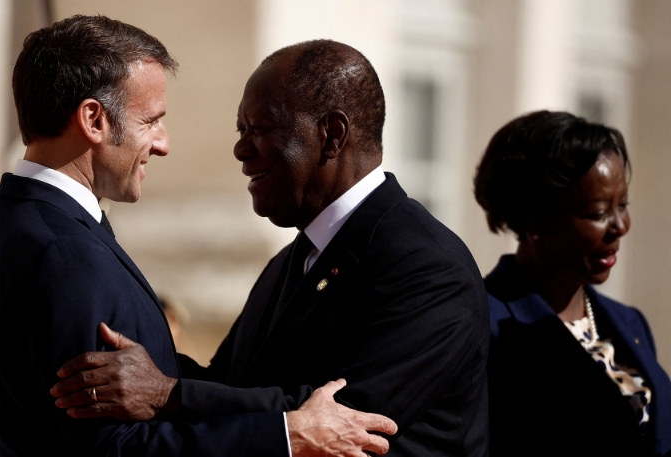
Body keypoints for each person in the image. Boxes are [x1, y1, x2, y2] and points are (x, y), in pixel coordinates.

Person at [0, 16, 396, 456]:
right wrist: (285, 437)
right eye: (150, 121)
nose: (163, 144)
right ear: (94, 119)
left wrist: (166, 388)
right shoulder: (66, 253)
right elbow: (113, 450)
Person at [51, 39, 490, 456]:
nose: (241, 149)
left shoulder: (429, 267)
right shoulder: (298, 257)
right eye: (241, 130)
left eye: (259, 129)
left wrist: (167, 392)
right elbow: (230, 384)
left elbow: (343, 422)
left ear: (332, 134)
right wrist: (120, 363)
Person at [473, 110, 671, 456]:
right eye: (598, 213)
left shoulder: (629, 322)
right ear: (535, 219)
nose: (620, 226)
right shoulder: (481, 327)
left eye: (622, 205)